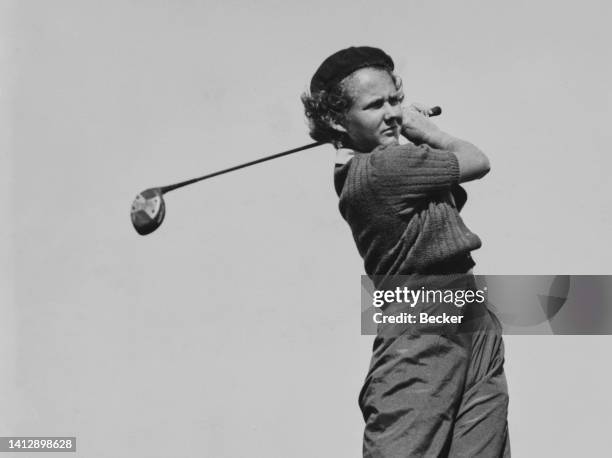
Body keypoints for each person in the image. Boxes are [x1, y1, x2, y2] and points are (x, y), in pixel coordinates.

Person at [302, 46, 510, 457]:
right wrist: (422, 128)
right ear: (334, 119)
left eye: (395, 100)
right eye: (374, 105)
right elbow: (475, 160)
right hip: (420, 323)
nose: (392, 113)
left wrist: (396, 129)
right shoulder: (382, 170)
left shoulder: (386, 161)